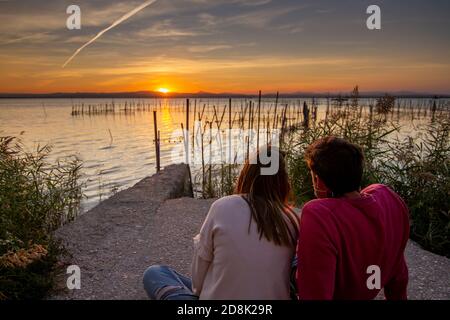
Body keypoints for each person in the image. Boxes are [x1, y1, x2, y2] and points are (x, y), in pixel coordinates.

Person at [143, 147, 299, 300]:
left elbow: (198, 282)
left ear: (246, 175)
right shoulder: (291, 220)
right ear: (283, 182)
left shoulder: (223, 206)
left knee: (155, 273)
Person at [296, 136, 410, 300]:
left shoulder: (319, 215)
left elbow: (315, 292)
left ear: (318, 181)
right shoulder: (388, 198)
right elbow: (398, 270)